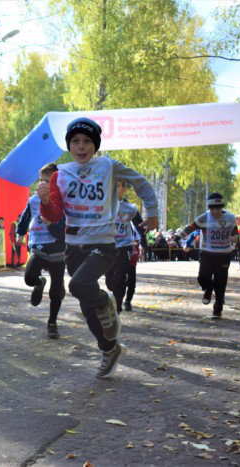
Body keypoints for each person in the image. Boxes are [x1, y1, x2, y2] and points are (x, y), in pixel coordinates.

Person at [38, 117, 158, 378]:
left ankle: (106, 303)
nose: (81, 146)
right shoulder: (60, 174)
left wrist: (153, 211)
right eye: (76, 141)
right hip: (74, 247)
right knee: (85, 305)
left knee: (78, 286)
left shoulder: (108, 166)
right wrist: (46, 200)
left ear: (95, 145)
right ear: (69, 145)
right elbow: (56, 214)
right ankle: (109, 349)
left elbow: (142, 183)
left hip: (103, 244)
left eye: (87, 141)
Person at [16, 163, 66, 338]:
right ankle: (39, 284)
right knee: (29, 278)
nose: (43, 185)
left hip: (58, 252)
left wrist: (51, 224)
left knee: (56, 292)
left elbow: (62, 231)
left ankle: (52, 323)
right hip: (39, 248)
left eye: (48, 181)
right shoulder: (33, 199)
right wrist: (20, 232)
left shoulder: (63, 200)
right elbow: (25, 216)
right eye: (41, 181)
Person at [181, 192, 238, 319]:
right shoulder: (204, 217)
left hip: (224, 254)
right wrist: (177, 237)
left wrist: (236, 238)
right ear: (209, 208)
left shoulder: (230, 218)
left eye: (218, 208)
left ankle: (218, 309)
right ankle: (208, 289)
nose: (216, 211)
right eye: (213, 208)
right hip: (207, 253)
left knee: (221, 282)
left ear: (222, 207)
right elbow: (190, 227)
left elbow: (236, 232)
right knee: (202, 278)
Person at [104, 182, 146, 313]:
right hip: (108, 246)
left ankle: (117, 307)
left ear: (123, 189)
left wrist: (144, 243)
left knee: (119, 279)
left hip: (125, 246)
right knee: (110, 282)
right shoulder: (103, 205)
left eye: (117, 186)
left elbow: (140, 226)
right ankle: (115, 288)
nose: (114, 189)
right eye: (112, 186)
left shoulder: (130, 208)